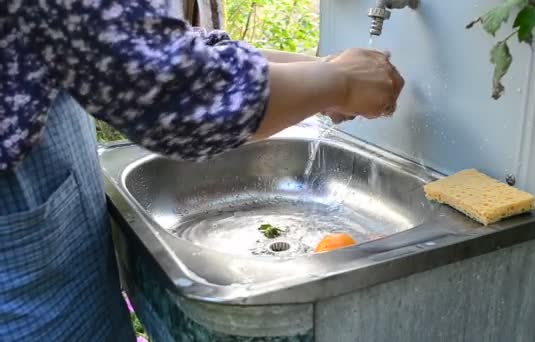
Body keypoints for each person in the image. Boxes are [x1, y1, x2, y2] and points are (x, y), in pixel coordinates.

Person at [0, 0, 404, 340]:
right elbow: (178, 96)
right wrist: (338, 83)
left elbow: (139, 44)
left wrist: (324, 71)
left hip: (49, 250)